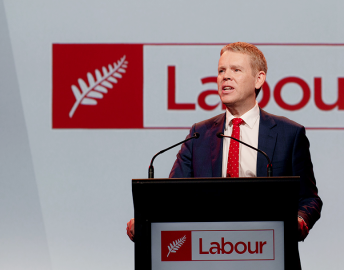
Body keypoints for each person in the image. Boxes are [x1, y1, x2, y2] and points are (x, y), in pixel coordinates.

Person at [127, 42, 322, 247]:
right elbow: (172, 198)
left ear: (259, 79)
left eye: (236, 70)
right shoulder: (198, 135)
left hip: (267, 249)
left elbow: (309, 199)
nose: (225, 76)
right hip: (209, 250)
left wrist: (300, 221)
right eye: (221, 70)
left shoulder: (289, 134)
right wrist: (144, 220)